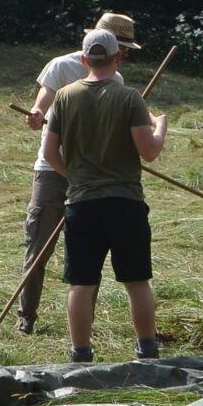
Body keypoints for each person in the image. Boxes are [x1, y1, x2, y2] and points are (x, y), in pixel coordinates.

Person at [43, 27, 169, 362]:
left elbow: (49, 151)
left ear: (85, 59)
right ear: (117, 57)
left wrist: (75, 176)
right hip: (125, 202)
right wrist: (161, 127)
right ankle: (147, 351)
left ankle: (80, 354)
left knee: (81, 284)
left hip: (82, 204)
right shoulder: (129, 97)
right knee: (136, 281)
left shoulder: (64, 97)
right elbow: (150, 152)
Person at [16, 11, 139, 334]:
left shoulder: (118, 81)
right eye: (123, 47)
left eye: (126, 48)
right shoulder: (61, 66)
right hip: (52, 169)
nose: (124, 54)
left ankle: (84, 324)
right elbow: (43, 100)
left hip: (92, 176)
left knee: (91, 250)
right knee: (39, 243)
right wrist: (38, 113)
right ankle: (26, 316)